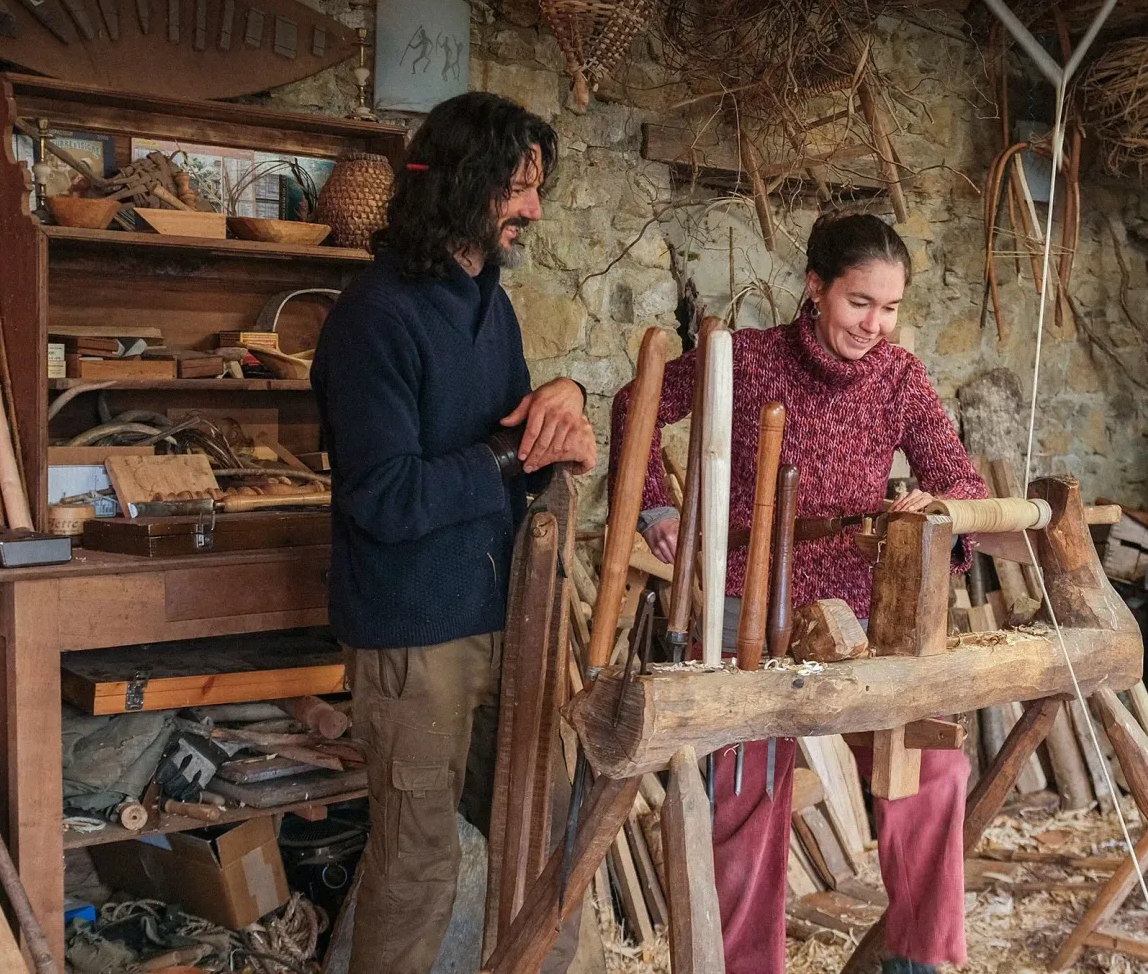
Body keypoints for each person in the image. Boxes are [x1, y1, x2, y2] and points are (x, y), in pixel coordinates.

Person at [610, 214, 990, 974]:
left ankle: (916, 961)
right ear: (815, 287)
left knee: (934, 766)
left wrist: (940, 510)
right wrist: (657, 507)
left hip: (855, 615)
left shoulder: (900, 376)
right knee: (747, 798)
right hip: (747, 608)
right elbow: (636, 403)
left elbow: (962, 479)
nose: (874, 325)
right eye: (859, 303)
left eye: (889, 308)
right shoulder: (744, 360)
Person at [312, 91, 598, 974]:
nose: (534, 210)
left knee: (545, 838)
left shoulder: (489, 306)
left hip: (502, 617)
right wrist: (512, 459)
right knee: (419, 867)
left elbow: (515, 445)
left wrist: (564, 415)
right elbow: (384, 497)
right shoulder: (375, 317)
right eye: (519, 187)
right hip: (414, 635)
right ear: (467, 184)